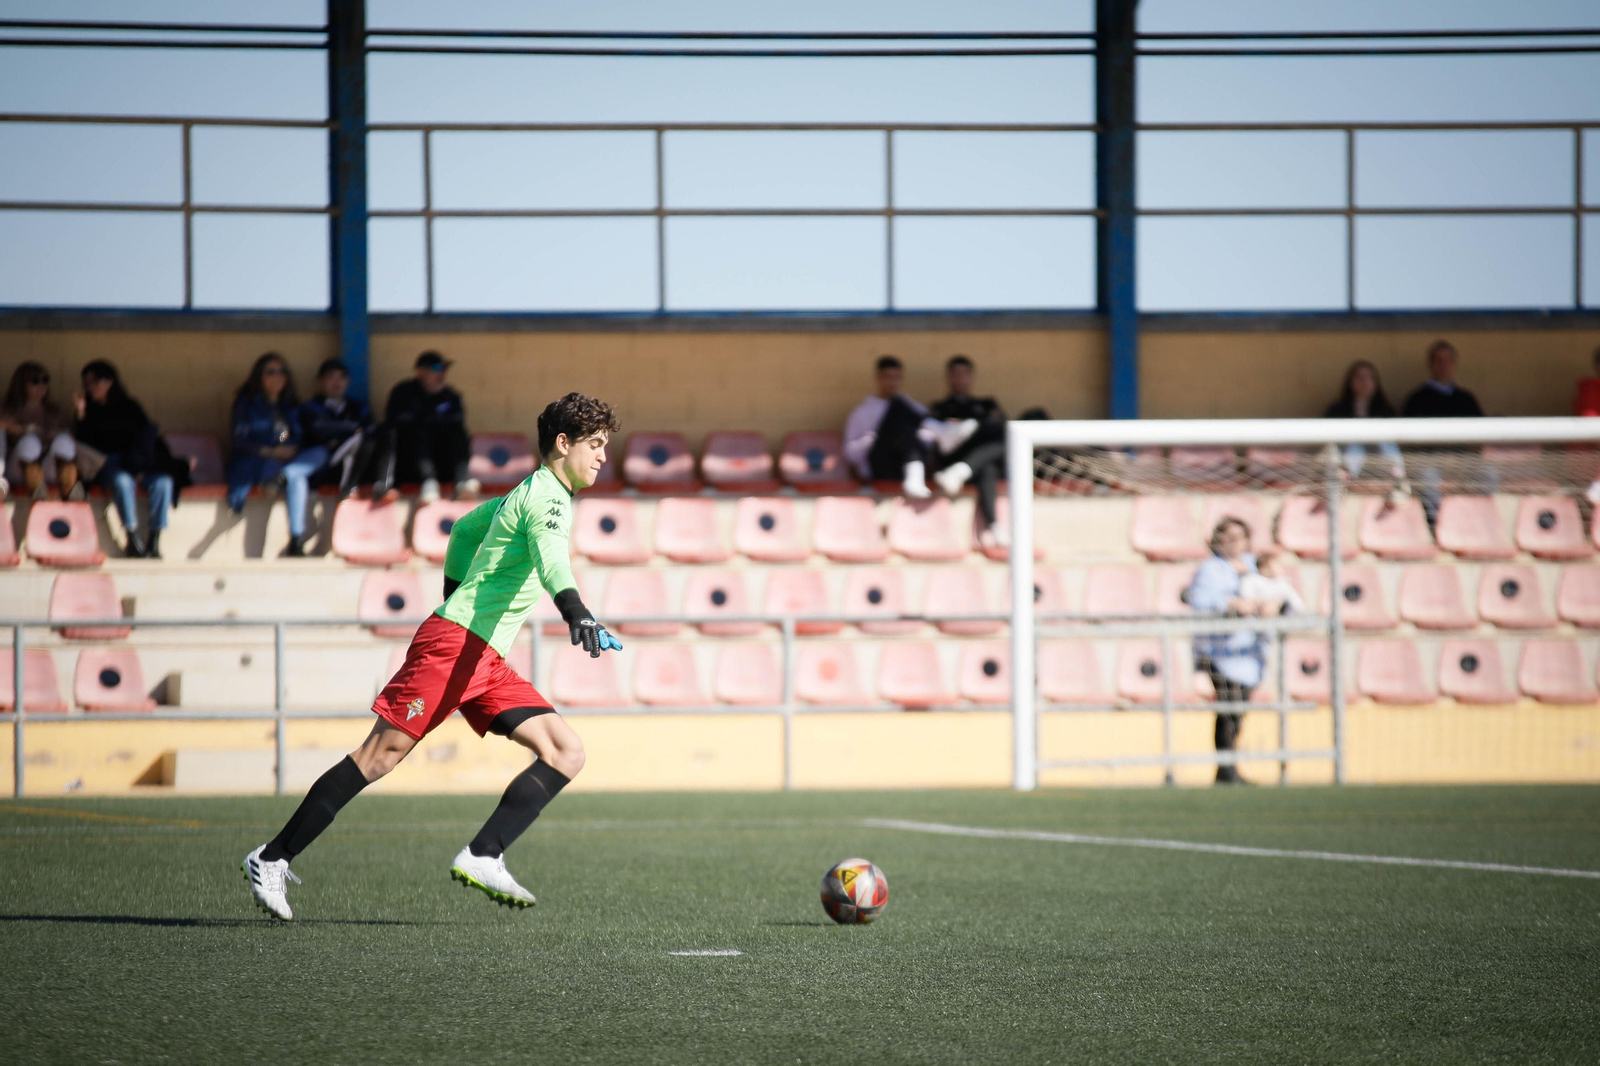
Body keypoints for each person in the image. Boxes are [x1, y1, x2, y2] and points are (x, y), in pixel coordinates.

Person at [243, 392, 624, 921]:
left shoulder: (527, 491)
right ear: (563, 444)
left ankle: (484, 853)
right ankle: (272, 856)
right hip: (456, 647)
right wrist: (576, 611)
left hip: (482, 657)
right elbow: (554, 563)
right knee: (378, 757)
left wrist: (453, 594)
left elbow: (466, 529)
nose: (604, 456)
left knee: (565, 751)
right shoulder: (550, 499)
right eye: (596, 444)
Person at [74, 360, 182, 559]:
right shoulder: (89, 411)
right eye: (87, 384)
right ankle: (132, 537)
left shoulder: (129, 406)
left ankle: (155, 538)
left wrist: (140, 466)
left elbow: (145, 439)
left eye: (95, 382)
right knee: (122, 483)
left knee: (163, 483)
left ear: (109, 382)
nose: (91, 388)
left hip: (136, 463)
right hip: (107, 465)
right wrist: (80, 413)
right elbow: (83, 444)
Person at [1185, 517, 1264, 785]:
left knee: (1238, 709)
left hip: (1249, 651)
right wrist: (1231, 604)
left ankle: (1228, 768)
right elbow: (1200, 602)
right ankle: (1226, 768)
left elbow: (1275, 591)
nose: (1234, 542)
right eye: (1228, 537)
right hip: (1219, 651)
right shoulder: (1210, 569)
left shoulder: (1255, 566)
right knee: (1228, 706)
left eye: (1239, 537)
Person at [226, 353, 322, 557]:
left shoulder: (291, 404)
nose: (277, 376)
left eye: (282, 371)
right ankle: (296, 541)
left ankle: (285, 477)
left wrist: (293, 449)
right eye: (271, 372)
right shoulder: (246, 403)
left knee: (320, 453)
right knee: (299, 479)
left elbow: (300, 436)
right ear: (259, 376)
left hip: (288, 461)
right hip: (259, 462)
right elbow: (240, 441)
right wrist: (272, 451)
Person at [842, 355, 976, 499]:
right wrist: (872, 440)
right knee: (898, 405)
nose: (892, 383)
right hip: (879, 466)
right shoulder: (862, 411)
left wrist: (913, 435)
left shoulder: (911, 407)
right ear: (878, 377)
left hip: (904, 464)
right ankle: (941, 432)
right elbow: (850, 453)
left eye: (896, 378)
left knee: (902, 411)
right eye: (888, 377)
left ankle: (915, 473)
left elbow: (929, 441)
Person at [1399, 341, 1492, 523]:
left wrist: (1458, 456)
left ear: (1455, 364)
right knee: (1428, 478)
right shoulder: (1416, 399)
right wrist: (1439, 454)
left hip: (1462, 460)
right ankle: (1439, 527)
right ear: (1431, 364)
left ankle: (1476, 523)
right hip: (1429, 461)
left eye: (1449, 360)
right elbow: (1410, 440)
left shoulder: (1466, 399)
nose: (1444, 365)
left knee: (1489, 474)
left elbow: (1481, 437)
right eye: (1439, 360)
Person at [375, 351, 478, 504]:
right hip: (410, 465)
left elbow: (457, 421)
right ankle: (428, 483)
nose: (442, 373)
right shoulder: (404, 392)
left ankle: (462, 482)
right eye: (437, 368)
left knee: (458, 433)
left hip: (441, 463)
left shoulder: (450, 396)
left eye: (444, 368)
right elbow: (396, 422)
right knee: (419, 431)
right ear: (421, 371)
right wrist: (429, 416)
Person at [929, 355, 1009, 549]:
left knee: (993, 457)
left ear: (971, 377)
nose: (960, 379)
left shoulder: (987, 404)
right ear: (948, 377)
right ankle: (994, 525)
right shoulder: (939, 408)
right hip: (951, 463)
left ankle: (994, 525)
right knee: (987, 459)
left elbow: (1002, 429)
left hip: (975, 468)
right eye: (955, 374)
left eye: (964, 374)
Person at [1323, 359, 1408, 497]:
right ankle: (1344, 476)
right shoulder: (1337, 409)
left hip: (1379, 459)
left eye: (1370, 378)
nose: (1365, 382)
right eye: (1360, 377)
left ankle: (1397, 476)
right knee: (1355, 443)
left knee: (1384, 439)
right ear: (1350, 382)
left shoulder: (1385, 410)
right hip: (1350, 454)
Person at [297, 357, 376, 500]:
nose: (337, 382)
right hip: (325, 468)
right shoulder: (310, 407)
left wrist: (349, 431)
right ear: (320, 381)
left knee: (370, 439)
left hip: (360, 466)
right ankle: (348, 489)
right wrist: (354, 428)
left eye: (342, 377)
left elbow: (370, 429)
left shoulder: (358, 407)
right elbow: (317, 430)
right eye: (331, 377)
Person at [2, 361, 80, 501]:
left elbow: (71, 437)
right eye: (35, 381)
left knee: (64, 440)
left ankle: (70, 491)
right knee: (30, 441)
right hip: (17, 470)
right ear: (22, 385)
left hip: (47, 467)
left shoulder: (55, 411)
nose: (42, 385)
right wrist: (22, 431)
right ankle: (37, 494)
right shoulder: (7, 411)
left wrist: (79, 414)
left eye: (45, 380)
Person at [1236, 550, 1305, 618]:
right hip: (1253, 619)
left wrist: (1277, 603)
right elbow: (1246, 598)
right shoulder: (1251, 579)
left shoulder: (1282, 583)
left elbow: (1297, 604)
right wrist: (1264, 603)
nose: (1280, 567)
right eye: (1275, 564)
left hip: (1277, 620)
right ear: (1263, 568)